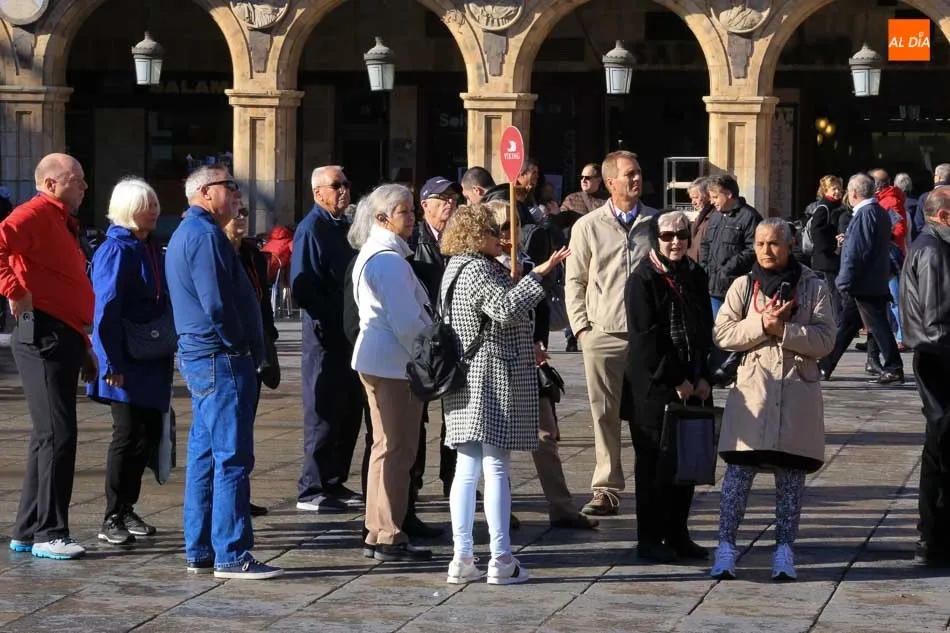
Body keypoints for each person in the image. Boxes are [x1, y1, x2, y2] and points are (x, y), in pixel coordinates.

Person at [439, 203, 570, 585]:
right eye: (494, 232)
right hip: (491, 375)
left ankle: (463, 557)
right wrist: (539, 276)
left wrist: (517, 276)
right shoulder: (477, 268)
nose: (501, 238)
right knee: (494, 466)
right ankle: (500, 558)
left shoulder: (458, 267)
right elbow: (505, 309)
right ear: (476, 235)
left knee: (468, 467)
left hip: (469, 376)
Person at [166, 164, 281, 580]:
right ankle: (232, 554)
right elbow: (216, 304)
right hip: (220, 358)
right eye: (229, 187)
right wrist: (240, 345)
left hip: (207, 358)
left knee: (205, 455)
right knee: (231, 457)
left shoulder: (191, 233)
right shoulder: (205, 235)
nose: (236, 195)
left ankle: (200, 548)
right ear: (205, 193)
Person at [710, 218, 835, 581]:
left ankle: (784, 550)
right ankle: (726, 547)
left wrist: (784, 330)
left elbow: (825, 339)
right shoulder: (742, 285)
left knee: (791, 478)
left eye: (774, 244)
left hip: (797, 391)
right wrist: (761, 325)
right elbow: (724, 333)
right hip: (753, 391)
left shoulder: (814, 286)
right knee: (738, 475)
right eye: (761, 244)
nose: (766, 251)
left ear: (790, 244)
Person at [0, 153, 97, 560]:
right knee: (58, 433)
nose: (84, 186)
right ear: (51, 183)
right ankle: (50, 532)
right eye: (77, 180)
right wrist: (15, 292)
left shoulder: (58, 219)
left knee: (47, 434)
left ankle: (27, 529)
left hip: (61, 332)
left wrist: (85, 346)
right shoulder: (35, 213)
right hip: (42, 331)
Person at [565, 150, 659, 517]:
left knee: (648, 414)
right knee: (603, 413)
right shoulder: (588, 226)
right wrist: (582, 329)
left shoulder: (655, 222)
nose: (636, 180)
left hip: (646, 335)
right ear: (610, 183)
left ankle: (651, 484)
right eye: (629, 175)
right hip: (602, 333)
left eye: (639, 173)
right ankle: (606, 488)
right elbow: (575, 280)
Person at [350, 184, 434, 562]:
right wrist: (431, 354)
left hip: (382, 361)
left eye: (413, 211)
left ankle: (378, 528)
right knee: (399, 451)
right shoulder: (388, 260)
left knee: (386, 449)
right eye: (405, 212)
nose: (413, 218)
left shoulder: (382, 254)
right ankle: (388, 534)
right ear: (382, 218)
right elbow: (408, 324)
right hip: (394, 366)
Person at [89, 177, 173, 546]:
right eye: (145, 204)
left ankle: (127, 507)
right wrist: (109, 364)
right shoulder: (115, 250)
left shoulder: (152, 248)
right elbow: (104, 311)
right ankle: (111, 515)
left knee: (148, 435)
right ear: (127, 210)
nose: (153, 210)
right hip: (124, 359)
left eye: (154, 203)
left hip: (152, 356)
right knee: (126, 436)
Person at [625, 210, 713, 562]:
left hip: (694, 383)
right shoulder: (642, 279)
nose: (675, 242)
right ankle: (649, 539)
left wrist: (704, 375)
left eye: (681, 235)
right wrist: (676, 379)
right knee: (652, 468)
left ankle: (678, 534)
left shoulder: (695, 274)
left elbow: (706, 329)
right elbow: (645, 338)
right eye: (667, 236)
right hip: (654, 388)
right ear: (655, 239)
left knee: (686, 463)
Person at [291, 165, 365, 513]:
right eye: (337, 185)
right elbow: (303, 287)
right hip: (326, 335)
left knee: (348, 410)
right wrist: (332, 316)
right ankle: (312, 487)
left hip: (349, 334)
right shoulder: (311, 228)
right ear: (318, 192)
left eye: (347, 184)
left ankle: (335, 480)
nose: (344, 190)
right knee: (323, 411)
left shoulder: (344, 226)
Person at [899, 186, 950, 567]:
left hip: (935, 358)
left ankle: (934, 537)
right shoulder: (934, 251)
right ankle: (933, 539)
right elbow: (937, 320)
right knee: (942, 452)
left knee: (941, 451)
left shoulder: (930, 245)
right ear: (944, 216)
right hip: (939, 361)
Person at [819, 174, 904, 384]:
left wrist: (843, 281)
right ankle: (824, 366)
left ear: (853, 193)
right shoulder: (879, 212)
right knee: (847, 326)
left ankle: (894, 367)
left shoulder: (865, 214)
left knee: (877, 325)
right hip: (871, 281)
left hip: (864, 283)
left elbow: (856, 252)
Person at [223, 205, 278, 518]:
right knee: (229, 430)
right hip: (231, 350)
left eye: (243, 211)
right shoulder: (219, 255)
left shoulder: (253, 255)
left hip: (255, 349)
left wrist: (267, 336)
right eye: (234, 211)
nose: (240, 216)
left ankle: (241, 492)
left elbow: (263, 300)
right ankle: (228, 497)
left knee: (245, 426)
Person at [699, 173, 762, 318]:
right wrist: (703, 267)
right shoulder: (715, 216)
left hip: (736, 287)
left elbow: (753, 249)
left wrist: (728, 268)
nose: (712, 202)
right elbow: (705, 243)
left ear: (728, 194)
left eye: (715, 197)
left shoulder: (749, 216)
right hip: (712, 287)